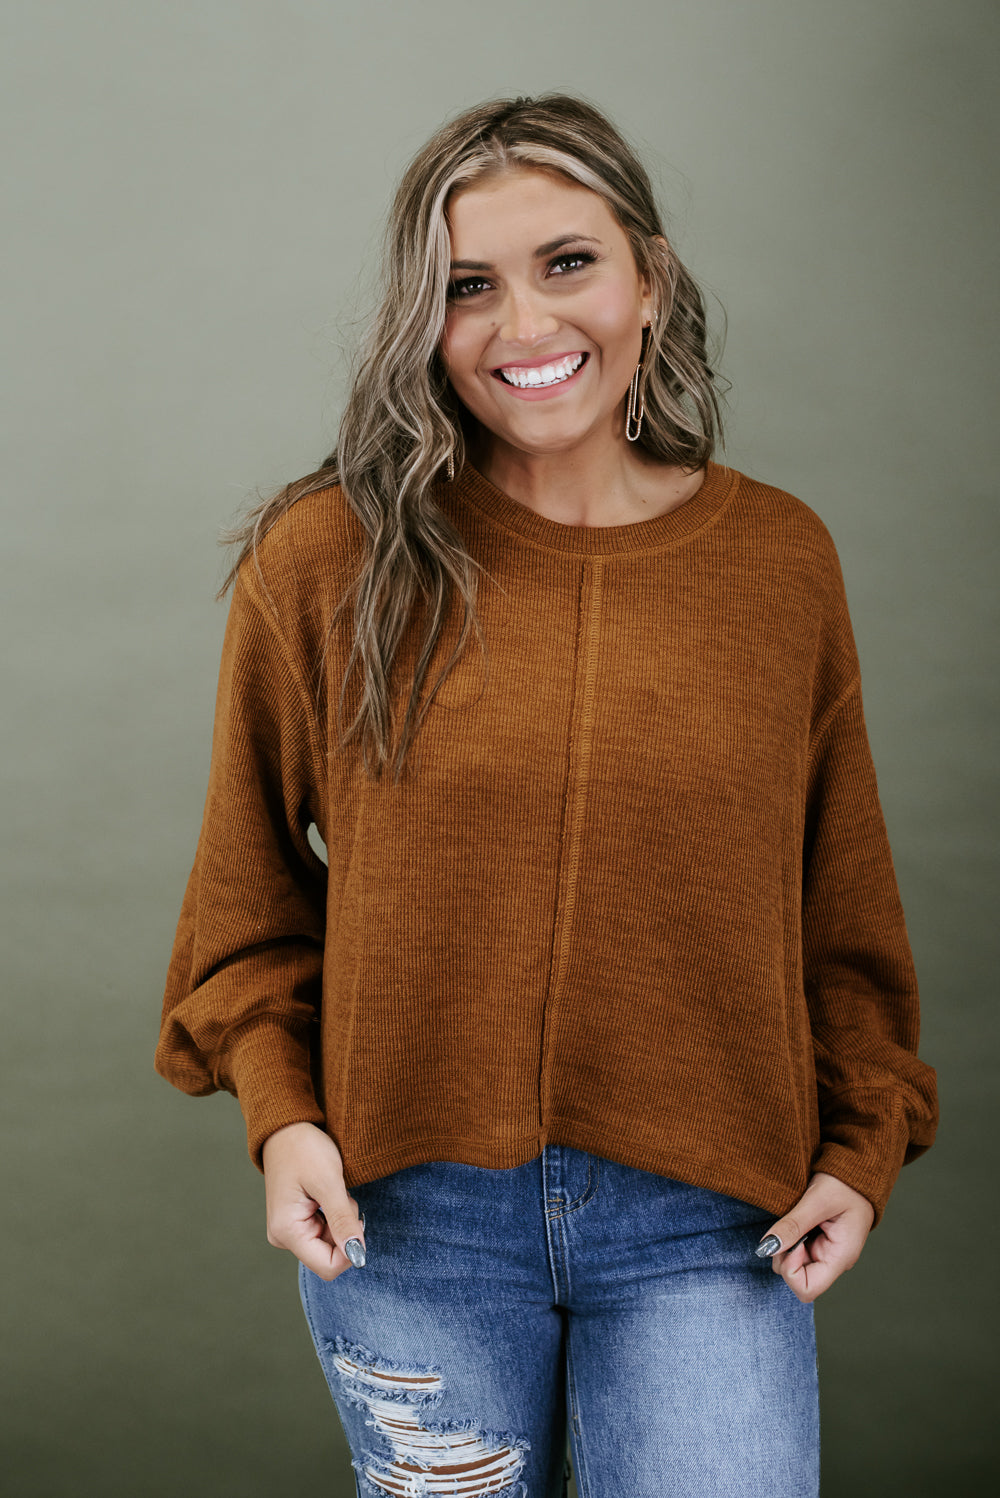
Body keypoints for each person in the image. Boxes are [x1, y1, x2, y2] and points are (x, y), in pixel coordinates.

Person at [155, 92, 939, 1498]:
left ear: (652, 280)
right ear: (424, 321)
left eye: (567, 262)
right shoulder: (326, 561)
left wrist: (864, 1141)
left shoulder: (777, 564)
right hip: (411, 1222)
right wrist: (284, 1119)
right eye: (467, 286)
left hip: (713, 1219)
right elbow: (245, 899)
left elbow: (840, 910)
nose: (523, 323)